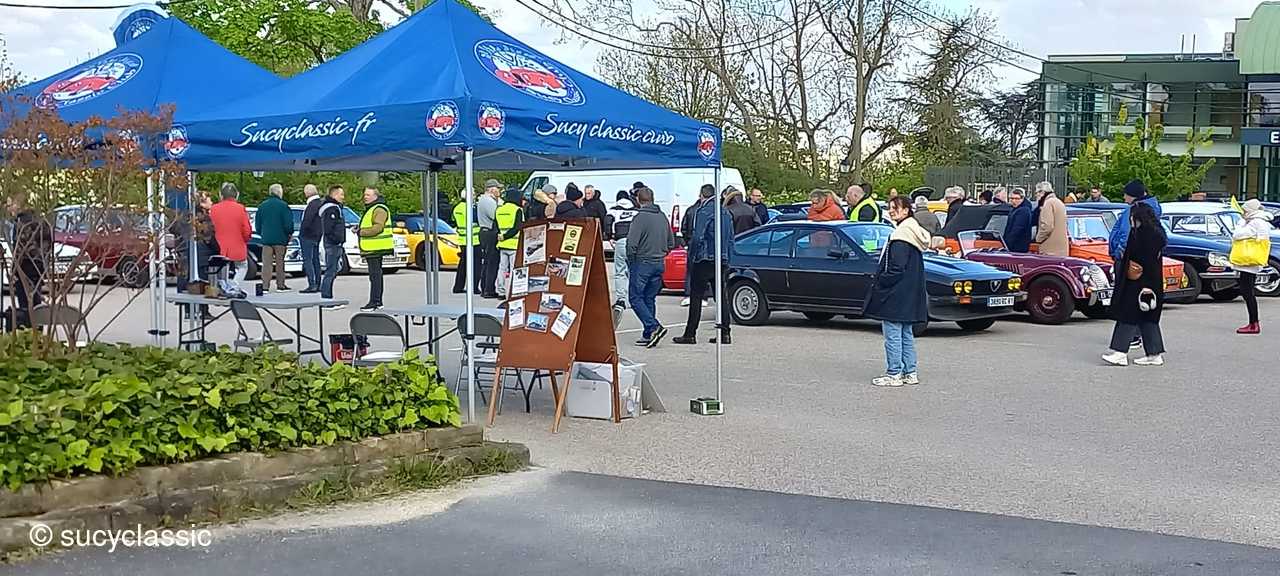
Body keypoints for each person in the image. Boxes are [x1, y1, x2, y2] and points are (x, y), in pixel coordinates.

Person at [863, 196, 929, 387]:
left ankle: (894, 373)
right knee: (906, 334)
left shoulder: (901, 236)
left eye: (896, 208)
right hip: (909, 291)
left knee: (892, 334)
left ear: (906, 210)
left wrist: (882, 281)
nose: (891, 211)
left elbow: (896, 268)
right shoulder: (915, 232)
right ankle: (910, 372)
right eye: (890, 207)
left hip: (895, 293)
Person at [1102, 202, 1167, 367]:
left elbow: (1143, 261)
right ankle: (1154, 354)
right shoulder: (1157, 234)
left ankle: (1120, 352)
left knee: (1127, 315)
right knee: (1148, 319)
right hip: (1151, 283)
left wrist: (1145, 284)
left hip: (1138, 282)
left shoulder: (1141, 235)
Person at [673, 183, 734, 346]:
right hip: (722, 258)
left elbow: (698, 236)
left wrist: (692, 257)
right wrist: (728, 258)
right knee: (721, 296)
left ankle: (690, 333)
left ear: (702, 195)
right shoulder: (725, 212)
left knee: (696, 296)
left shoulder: (703, 211)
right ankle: (725, 333)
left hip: (704, 258)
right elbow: (731, 238)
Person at [627, 186, 675, 348]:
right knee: (649, 298)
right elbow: (671, 242)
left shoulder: (639, 218)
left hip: (642, 262)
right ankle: (648, 334)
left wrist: (631, 261)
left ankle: (653, 326)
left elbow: (631, 244)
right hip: (659, 262)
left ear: (638, 200)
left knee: (635, 298)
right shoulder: (662, 216)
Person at [5, 193, 51, 328]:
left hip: (25, 266)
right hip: (39, 266)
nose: (9, 208)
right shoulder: (41, 221)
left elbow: (20, 249)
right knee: (36, 300)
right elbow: (48, 245)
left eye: (11, 204)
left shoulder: (21, 223)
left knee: (25, 303)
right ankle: (37, 328)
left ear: (19, 205)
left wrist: (14, 271)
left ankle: (28, 329)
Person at [1232, 199, 1274, 334]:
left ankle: (1253, 323)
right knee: (1248, 292)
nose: (1243, 213)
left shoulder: (1255, 222)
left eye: (1245, 211)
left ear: (1250, 211)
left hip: (1248, 261)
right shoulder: (1262, 222)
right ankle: (1253, 322)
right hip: (1252, 261)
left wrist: (1240, 223)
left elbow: (1237, 235)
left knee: (1247, 292)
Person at [210, 182, 252, 291]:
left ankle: (222, 286)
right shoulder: (240, 208)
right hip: (237, 245)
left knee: (221, 266)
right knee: (242, 266)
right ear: (236, 195)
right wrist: (245, 239)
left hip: (218, 246)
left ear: (221, 195)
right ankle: (234, 286)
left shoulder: (214, 209)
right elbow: (246, 229)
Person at [356, 187, 393, 311]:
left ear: (375, 196)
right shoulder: (373, 208)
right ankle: (377, 301)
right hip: (373, 248)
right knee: (375, 276)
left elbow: (378, 228)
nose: (365, 197)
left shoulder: (379, 209)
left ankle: (375, 302)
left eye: (368, 195)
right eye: (364, 194)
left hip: (376, 248)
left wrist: (361, 232)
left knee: (375, 277)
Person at [1109, 179, 1162, 264]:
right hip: (1147, 255)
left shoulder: (1134, 210)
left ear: (1132, 195)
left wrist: (1119, 253)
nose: (1124, 197)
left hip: (1129, 256)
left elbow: (1126, 232)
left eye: (1125, 194)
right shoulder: (1154, 208)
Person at [255, 183, 294, 292]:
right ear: (279, 192)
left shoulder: (262, 206)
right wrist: (289, 233)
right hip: (280, 238)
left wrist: (262, 233)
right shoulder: (283, 206)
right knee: (280, 262)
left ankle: (265, 286)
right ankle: (280, 285)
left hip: (266, 239)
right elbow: (288, 224)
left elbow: (258, 224)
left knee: (266, 263)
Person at [680, 187, 713, 307]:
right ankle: (704, 296)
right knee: (705, 272)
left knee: (691, 271)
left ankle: (689, 295)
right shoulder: (717, 211)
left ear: (701, 195)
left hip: (693, 244)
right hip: (708, 246)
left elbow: (684, 228)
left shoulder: (691, 210)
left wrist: (688, 241)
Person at [610, 190, 639, 310]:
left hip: (621, 241)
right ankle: (634, 299)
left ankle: (621, 299)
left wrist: (610, 237)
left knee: (620, 271)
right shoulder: (636, 211)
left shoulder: (613, 210)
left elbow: (607, 222)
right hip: (634, 242)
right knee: (634, 271)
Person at [317, 185, 347, 302]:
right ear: (334, 195)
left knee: (333, 270)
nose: (343, 197)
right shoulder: (331, 209)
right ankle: (326, 298)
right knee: (330, 271)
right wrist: (336, 239)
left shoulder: (335, 208)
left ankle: (327, 296)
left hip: (335, 244)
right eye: (341, 194)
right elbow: (329, 228)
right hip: (333, 244)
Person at [495, 188, 524, 297]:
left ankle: (500, 291)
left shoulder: (499, 210)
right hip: (514, 244)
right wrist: (506, 236)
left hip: (502, 244)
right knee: (513, 269)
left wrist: (502, 236)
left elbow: (496, 226)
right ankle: (513, 291)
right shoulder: (517, 210)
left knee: (502, 269)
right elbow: (517, 227)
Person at [451, 192, 482, 294]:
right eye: (473, 195)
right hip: (474, 240)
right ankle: (474, 287)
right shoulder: (470, 208)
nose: (474, 196)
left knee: (463, 265)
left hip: (462, 240)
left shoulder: (457, 208)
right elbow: (478, 220)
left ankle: (458, 286)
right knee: (476, 265)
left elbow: (453, 221)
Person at [477, 179, 502, 299]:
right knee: (492, 263)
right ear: (491, 189)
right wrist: (500, 203)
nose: (499, 191)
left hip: (485, 232)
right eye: (498, 188)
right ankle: (488, 289)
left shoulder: (483, 200)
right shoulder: (488, 201)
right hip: (490, 233)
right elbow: (495, 215)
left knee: (487, 262)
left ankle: (485, 288)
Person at [298, 183, 324, 293]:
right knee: (315, 260)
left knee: (308, 260)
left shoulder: (312, 205)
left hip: (308, 236)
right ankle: (318, 283)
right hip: (317, 235)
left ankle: (312, 284)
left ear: (307, 193)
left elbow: (307, 221)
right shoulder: (321, 203)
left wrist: (301, 233)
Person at [1035, 181, 1069, 256]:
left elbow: (1047, 226)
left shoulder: (1048, 203)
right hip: (1062, 248)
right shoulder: (1059, 202)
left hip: (1050, 248)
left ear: (1042, 192)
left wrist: (1038, 239)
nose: (1036, 195)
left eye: (1037, 193)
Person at [1004, 188, 1034, 253]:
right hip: (1014, 246)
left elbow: (1018, 229)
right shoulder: (1014, 209)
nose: (1014, 201)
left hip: (1018, 246)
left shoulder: (1024, 210)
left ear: (1022, 199)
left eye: (1017, 199)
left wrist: (1008, 243)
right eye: (1012, 198)